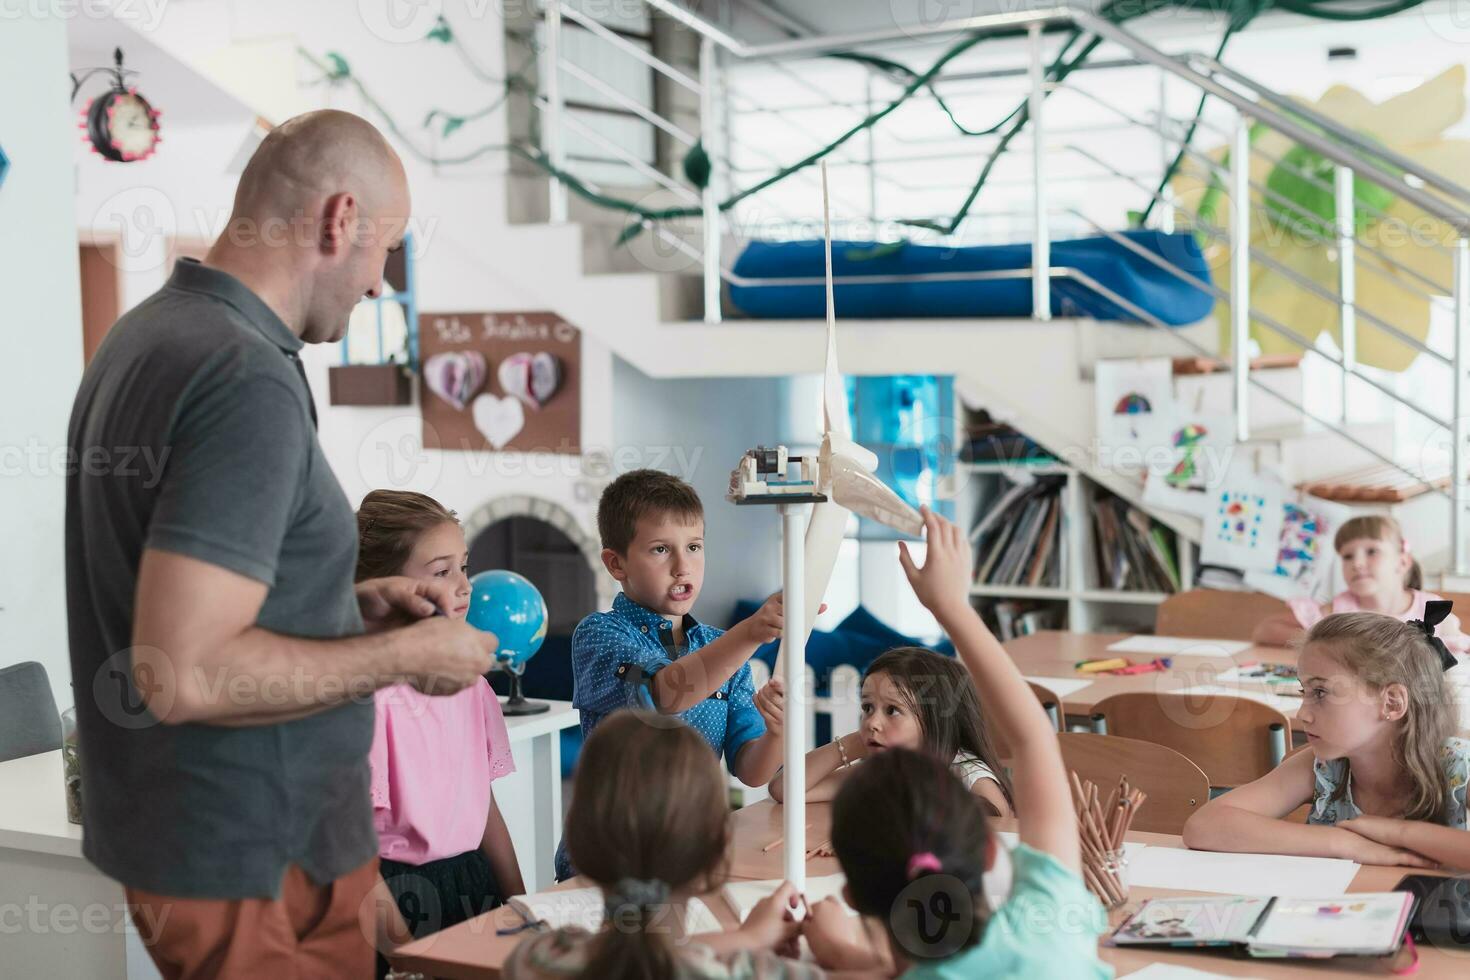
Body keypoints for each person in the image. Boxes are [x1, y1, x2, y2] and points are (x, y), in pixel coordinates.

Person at [65, 110, 495, 979]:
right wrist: (405, 652)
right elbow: (184, 668)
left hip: (210, 844)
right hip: (256, 858)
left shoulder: (149, 334)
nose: (381, 284)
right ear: (340, 221)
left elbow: (199, 588)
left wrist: (351, 608)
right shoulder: (241, 375)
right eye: (386, 251)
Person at [802, 508, 1110, 978]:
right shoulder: (1049, 921)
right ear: (990, 854)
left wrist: (843, 957)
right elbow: (1033, 740)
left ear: (851, 897)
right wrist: (951, 607)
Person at [561, 469, 791, 878]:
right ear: (616, 563)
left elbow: (752, 771)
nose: (683, 566)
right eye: (660, 550)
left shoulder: (725, 652)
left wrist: (776, 733)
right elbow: (665, 694)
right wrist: (750, 634)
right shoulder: (599, 635)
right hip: (610, 857)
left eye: (695, 546)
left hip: (692, 852)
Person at [504, 712, 819, 979]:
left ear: (577, 842)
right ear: (720, 852)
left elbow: (645, 957)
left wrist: (746, 938)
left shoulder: (538, 959)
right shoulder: (756, 971)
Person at [356, 490, 525, 978]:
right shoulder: (370, 700)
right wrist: (403, 955)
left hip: (472, 882)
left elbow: (483, 805)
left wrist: (522, 904)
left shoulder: (471, 687)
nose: (463, 586)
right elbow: (350, 857)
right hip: (392, 901)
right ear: (379, 586)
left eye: (464, 567)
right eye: (440, 570)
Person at [1185, 609, 1470, 870]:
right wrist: (1343, 843)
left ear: (1392, 703)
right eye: (1304, 692)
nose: (1302, 714)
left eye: (1320, 693)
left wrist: (1400, 833)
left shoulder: (1458, 769)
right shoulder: (1323, 767)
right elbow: (1204, 825)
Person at [768, 647, 1013, 817]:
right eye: (867, 707)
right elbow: (785, 790)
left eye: (892, 710)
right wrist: (855, 743)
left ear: (935, 719)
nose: (872, 721)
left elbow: (999, 836)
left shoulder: (970, 776)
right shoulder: (886, 769)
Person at [1254, 515, 1469, 652]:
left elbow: (1460, 649)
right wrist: (1325, 639)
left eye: (1371, 552)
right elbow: (1265, 630)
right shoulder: (1338, 611)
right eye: (1347, 556)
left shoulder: (1431, 611)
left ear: (1402, 562)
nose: (1356, 563)